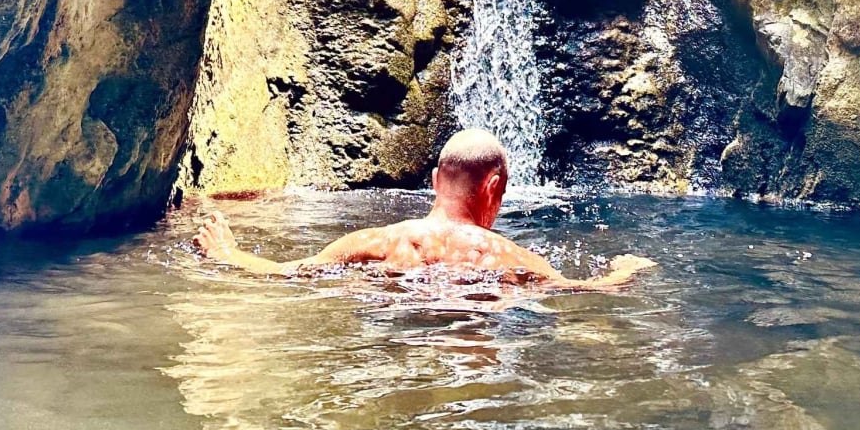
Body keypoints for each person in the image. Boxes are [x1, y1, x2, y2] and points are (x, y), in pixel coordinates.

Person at [194, 128, 655, 289]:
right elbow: (586, 291)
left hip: (395, 336)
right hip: (475, 352)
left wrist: (228, 255)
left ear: (435, 181)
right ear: (494, 188)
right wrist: (624, 270)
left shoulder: (373, 242)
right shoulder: (511, 259)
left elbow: (289, 272)